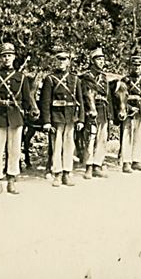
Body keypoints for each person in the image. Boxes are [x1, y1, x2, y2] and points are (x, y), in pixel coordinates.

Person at [0, 43, 37, 196]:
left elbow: (26, 99)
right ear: (1, 58)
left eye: (9, 55)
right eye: (4, 56)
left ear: (14, 57)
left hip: (15, 117)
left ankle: (11, 180)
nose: (7, 58)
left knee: (14, 150)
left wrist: (25, 114)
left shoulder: (21, 77)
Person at [40, 45, 84, 187]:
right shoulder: (50, 79)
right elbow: (45, 102)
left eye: (64, 59)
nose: (61, 62)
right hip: (56, 117)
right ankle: (57, 173)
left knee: (69, 146)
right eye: (58, 59)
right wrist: (46, 121)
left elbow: (80, 100)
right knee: (57, 146)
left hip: (71, 117)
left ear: (68, 62)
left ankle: (67, 173)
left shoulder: (75, 79)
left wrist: (81, 119)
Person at [80, 48, 112, 178]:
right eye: (98, 59)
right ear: (92, 61)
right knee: (90, 138)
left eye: (102, 59)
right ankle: (88, 165)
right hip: (91, 110)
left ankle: (97, 165)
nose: (101, 61)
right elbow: (83, 96)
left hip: (103, 110)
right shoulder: (86, 77)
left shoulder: (104, 77)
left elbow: (108, 97)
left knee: (102, 139)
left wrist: (110, 115)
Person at [120, 50, 141, 173]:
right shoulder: (125, 80)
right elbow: (121, 98)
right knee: (127, 137)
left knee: (139, 137)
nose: (137, 67)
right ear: (130, 66)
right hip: (129, 113)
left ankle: (136, 161)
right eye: (134, 65)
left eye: (139, 65)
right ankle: (126, 162)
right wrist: (128, 108)